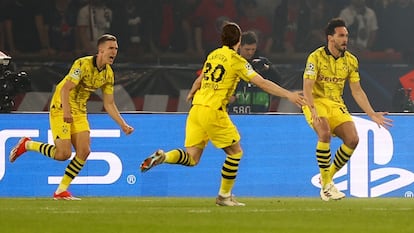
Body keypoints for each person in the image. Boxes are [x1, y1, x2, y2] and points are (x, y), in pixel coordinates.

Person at [139, 22, 306, 206]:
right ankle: (224, 196)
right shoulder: (236, 61)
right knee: (235, 152)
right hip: (213, 110)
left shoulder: (214, 55)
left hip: (196, 109)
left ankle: (164, 156)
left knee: (192, 157)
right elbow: (263, 83)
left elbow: (200, 78)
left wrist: (192, 91)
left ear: (222, 38)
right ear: (239, 40)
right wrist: (289, 94)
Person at [9, 34, 134, 200]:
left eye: (116, 49)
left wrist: (123, 124)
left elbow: (109, 103)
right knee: (63, 154)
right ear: (101, 50)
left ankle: (61, 191)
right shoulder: (82, 64)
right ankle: (28, 144)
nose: (114, 52)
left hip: (80, 109)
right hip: (62, 105)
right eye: (111, 48)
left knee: (84, 151)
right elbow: (65, 89)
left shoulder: (108, 74)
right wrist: (66, 111)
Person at [302, 18, 393, 201]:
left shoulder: (351, 61)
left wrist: (372, 113)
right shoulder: (316, 57)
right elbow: (307, 86)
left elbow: (357, 91)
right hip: (316, 101)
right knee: (325, 133)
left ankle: (326, 179)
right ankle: (327, 186)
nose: (345, 40)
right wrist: (312, 109)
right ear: (330, 38)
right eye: (341, 36)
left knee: (352, 139)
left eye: (346, 36)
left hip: (336, 103)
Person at [228, 30, 282, 114]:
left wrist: (267, 69)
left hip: (260, 110)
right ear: (239, 47)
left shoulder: (262, 62)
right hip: (237, 110)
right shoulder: (231, 63)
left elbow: (278, 80)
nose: (250, 52)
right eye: (247, 49)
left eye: (253, 49)